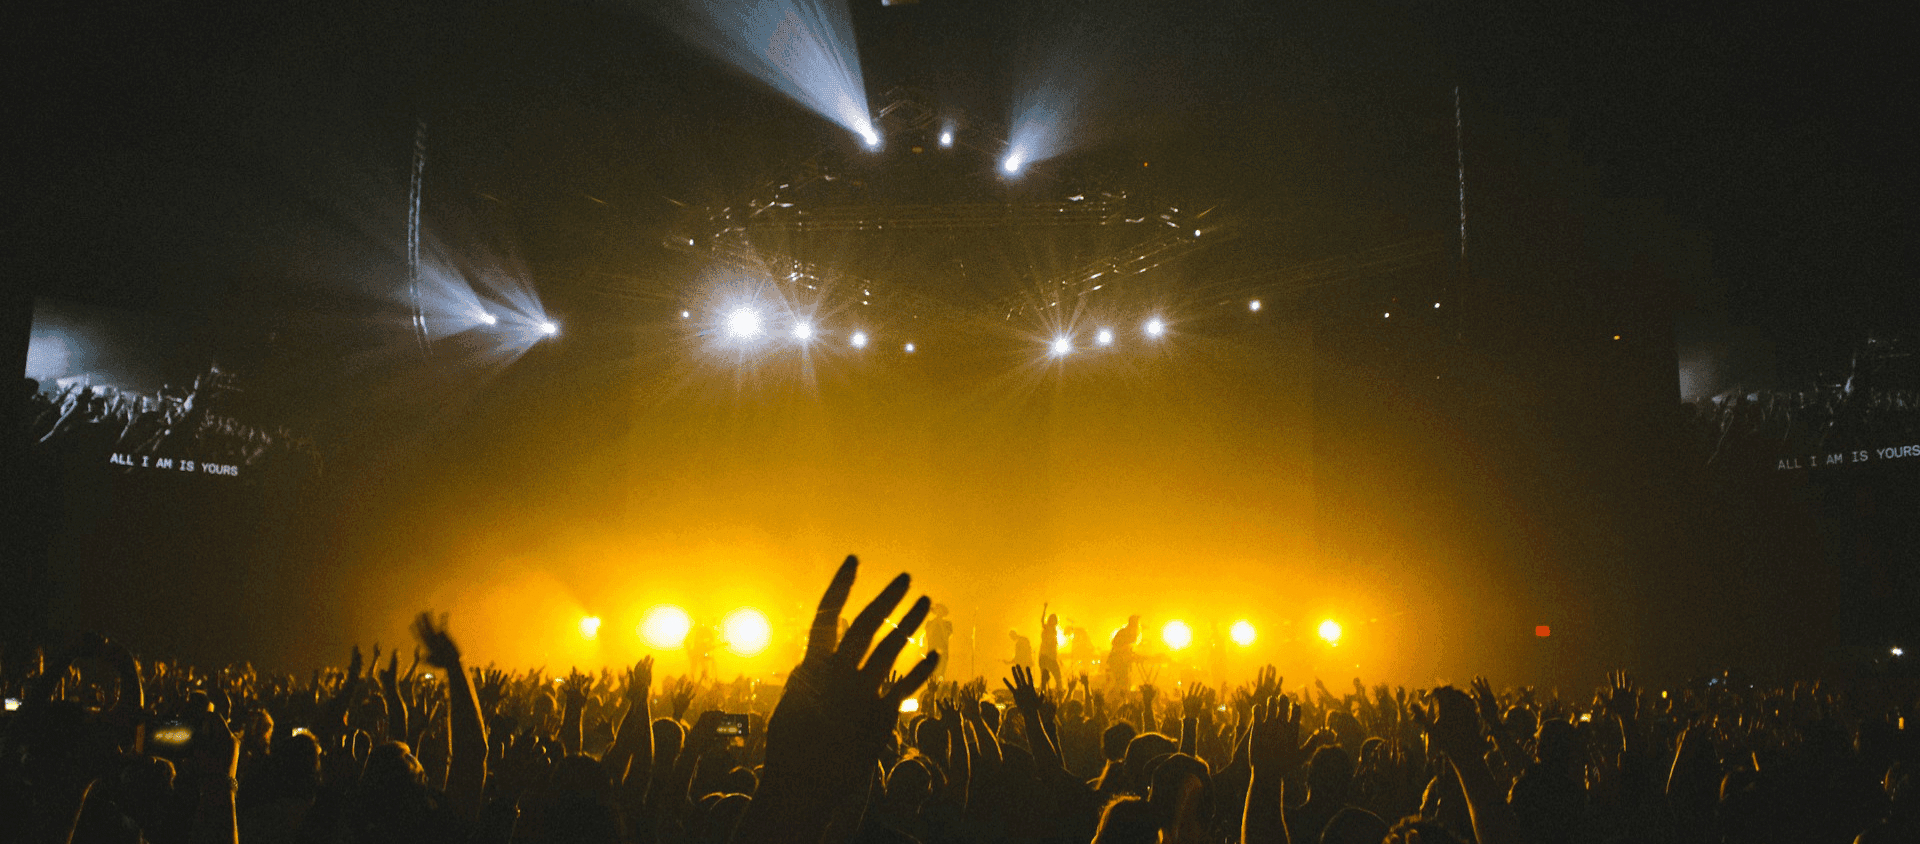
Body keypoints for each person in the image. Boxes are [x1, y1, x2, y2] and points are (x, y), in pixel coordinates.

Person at [1038, 604, 1061, 691]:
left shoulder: (1055, 631)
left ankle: (1058, 693)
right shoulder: (1046, 627)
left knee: (1058, 677)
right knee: (1045, 678)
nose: (1053, 621)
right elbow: (1042, 621)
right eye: (1052, 619)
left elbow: (1054, 646)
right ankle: (1043, 694)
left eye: (1054, 620)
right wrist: (1045, 609)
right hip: (1044, 656)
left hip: (1052, 657)